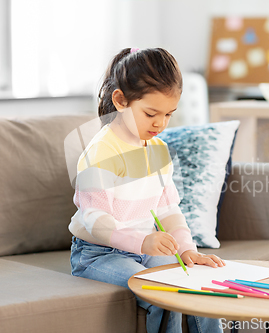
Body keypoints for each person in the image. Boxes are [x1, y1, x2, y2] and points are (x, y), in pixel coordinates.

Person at [69, 47, 224, 333]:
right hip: (98, 253)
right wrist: (142, 242)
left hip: (143, 248)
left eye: (168, 114)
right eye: (151, 113)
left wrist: (187, 249)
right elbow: (95, 220)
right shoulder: (101, 152)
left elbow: (167, 208)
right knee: (164, 291)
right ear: (120, 100)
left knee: (197, 283)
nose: (161, 124)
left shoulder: (157, 150)